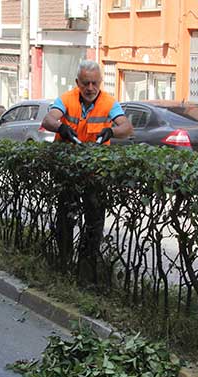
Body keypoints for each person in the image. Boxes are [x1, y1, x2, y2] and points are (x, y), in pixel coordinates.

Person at [41, 60, 133, 282]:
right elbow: (49, 119)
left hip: (94, 173)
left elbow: (127, 127)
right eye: (85, 83)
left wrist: (111, 131)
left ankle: (85, 270)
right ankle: (63, 265)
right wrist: (61, 126)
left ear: (100, 82)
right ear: (77, 83)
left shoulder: (110, 102)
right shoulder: (66, 99)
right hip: (68, 171)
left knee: (94, 223)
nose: (90, 88)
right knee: (65, 219)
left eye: (94, 83)